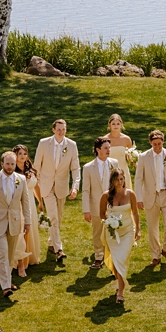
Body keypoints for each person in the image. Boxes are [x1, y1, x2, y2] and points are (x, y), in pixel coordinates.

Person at [0, 151, 30, 296]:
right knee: (2, 253)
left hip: (15, 223)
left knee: (10, 256)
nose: (10, 167)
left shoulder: (21, 179)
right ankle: (6, 287)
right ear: (2, 163)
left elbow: (26, 202)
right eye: (7, 163)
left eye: (12, 164)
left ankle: (7, 281)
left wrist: (27, 222)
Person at [32, 119, 80, 262]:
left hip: (62, 186)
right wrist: (37, 185)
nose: (61, 132)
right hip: (46, 185)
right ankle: (59, 249)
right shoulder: (43, 143)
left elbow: (76, 168)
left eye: (64, 129)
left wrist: (75, 187)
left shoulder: (72, 145)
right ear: (53, 130)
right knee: (53, 216)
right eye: (59, 129)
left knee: (58, 218)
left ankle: (52, 243)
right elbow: (36, 165)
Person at [137, 129, 166, 265]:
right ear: (150, 143)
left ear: (163, 142)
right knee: (152, 227)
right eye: (154, 144)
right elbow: (139, 178)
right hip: (150, 195)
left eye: (159, 144)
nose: (157, 146)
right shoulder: (143, 157)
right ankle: (155, 255)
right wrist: (139, 198)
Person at [98, 165, 141, 305]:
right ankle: (120, 288)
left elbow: (135, 212)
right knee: (117, 261)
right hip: (112, 233)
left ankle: (120, 292)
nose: (120, 182)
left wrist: (138, 229)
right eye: (117, 180)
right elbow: (101, 214)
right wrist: (109, 222)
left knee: (121, 259)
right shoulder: (105, 196)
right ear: (112, 181)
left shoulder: (131, 194)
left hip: (128, 231)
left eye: (121, 179)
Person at [80, 137, 119, 267]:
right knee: (97, 232)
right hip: (95, 205)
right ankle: (98, 257)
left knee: (113, 231)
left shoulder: (114, 163)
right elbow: (85, 190)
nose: (109, 150)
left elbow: (119, 185)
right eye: (106, 148)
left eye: (109, 147)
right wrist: (86, 210)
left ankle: (112, 258)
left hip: (112, 205)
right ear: (98, 150)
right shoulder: (88, 167)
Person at [11, 142, 40, 280]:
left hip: (31, 207)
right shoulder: (12, 172)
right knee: (21, 233)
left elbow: (36, 187)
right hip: (19, 206)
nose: (22, 156)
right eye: (19, 154)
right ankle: (20, 262)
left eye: (24, 154)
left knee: (30, 231)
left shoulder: (31, 170)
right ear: (15, 156)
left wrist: (40, 201)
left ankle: (29, 256)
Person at [103, 112, 135, 191]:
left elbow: (130, 156)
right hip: (110, 171)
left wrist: (133, 160)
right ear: (109, 125)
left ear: (121, 125)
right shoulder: (104, 139)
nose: (116, 126)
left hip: (123, 170)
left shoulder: (126, 139)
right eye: (113, 124)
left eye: (118, 124)